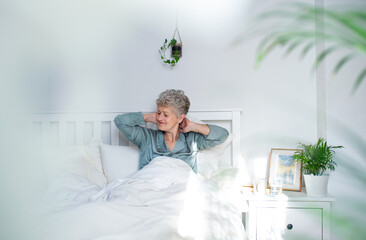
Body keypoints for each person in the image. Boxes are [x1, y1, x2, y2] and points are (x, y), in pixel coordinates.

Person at [114, 89, 229, 173]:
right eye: (158, 113)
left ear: (180, 118)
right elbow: (120, 121)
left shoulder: (192, 140)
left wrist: (193, 125)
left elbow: (223, 135)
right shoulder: (146, 138)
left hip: (180, 191)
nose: (159, 118)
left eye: (165, 115)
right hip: (150, 188)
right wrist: (149, 117)